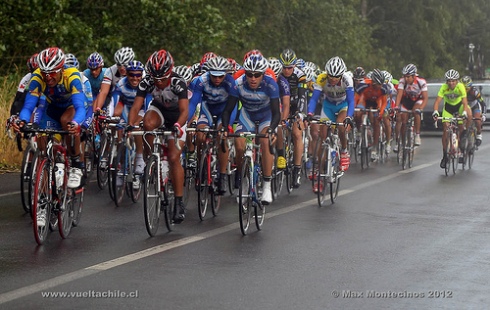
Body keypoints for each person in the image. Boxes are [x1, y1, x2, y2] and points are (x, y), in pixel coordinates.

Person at [128, 50, 189, 224]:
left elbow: (185, 111)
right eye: (155, 78)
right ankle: (151, 159)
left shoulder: (179, 82)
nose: (159, 82)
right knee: (146, 124)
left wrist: (178, 126)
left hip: (177, 117)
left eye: (162, 79)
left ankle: (178, 202)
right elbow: (136, 107)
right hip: (159, 111)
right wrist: (130, 125)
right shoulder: (147, 80)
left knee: (173, 157)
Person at [13, 47, 87, 189]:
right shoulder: (37, 77)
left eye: (52, 72)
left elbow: (80, 107)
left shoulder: (72, 76)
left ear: (61, 69)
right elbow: (29, 106)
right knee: (44, 145)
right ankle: (46, 193)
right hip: (52, 109)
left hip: (70, 108)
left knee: (67, 121)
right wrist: (22, 121)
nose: (48, 77)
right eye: (45, 72)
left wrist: (76, 123)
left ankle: (76, 164)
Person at [221, 54, 281, 205]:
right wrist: (225, 127)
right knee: (239, 145)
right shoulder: (238, 84)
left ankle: (266, 185)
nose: (253, 78)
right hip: (246, 116)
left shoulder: (271, 84)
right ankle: (244, 181)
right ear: (245, 73)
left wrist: (272, 129)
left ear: (263, 74)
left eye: (257, 75)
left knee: (266, 141)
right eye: (249, 74)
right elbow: (228, 109)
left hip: (265, 117)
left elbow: (276, 113)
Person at [187, 56, 238, 195]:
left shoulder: (230, 82)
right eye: (213, 76)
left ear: (225, 74)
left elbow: (232, 105)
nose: (217, 79)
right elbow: (192, 104)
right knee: (200, 134)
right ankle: (201, 166)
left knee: (222, 137)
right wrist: (185, 122)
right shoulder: (200, 81)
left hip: (224, 111)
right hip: (207, 109)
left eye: (220, 76)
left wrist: (226, 126)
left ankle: (222, 175)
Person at [307, 56, 354, 192]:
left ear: (341, 75)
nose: (333, 79)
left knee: (340, 125)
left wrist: (349, 117)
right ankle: (320, 175)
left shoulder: (347, 79)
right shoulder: (321, 78)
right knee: (322, 136)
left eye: (336, 76)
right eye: (331, 76)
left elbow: (351, 101)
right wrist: (310, 114)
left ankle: (344, 151)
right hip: (328, 106)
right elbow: (314, 99)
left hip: (343, 105)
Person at [109, 60, 151, 188]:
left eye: (138, 75)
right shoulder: (121, 84)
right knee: (121, 131)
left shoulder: (145, 84)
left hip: (142, 109)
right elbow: (114, 100)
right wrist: (110, 116)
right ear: (126, 74)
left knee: (136, 128)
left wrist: (140, 120)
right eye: (132, 74)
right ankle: (122, 167)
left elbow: (148, 104)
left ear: (142, 75)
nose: (135, 78)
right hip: (127, 108)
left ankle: (139, 157)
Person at [278, 48, 307, 188]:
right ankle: (280, 157)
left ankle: (297, 169)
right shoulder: (277, 74)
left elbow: (303, 96)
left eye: (289, 67)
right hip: (283, 105)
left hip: (296, 106)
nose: (287, 70)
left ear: (294, 66)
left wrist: (300, 114)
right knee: (278, 129)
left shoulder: (300, 75)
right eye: (284, 67)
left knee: (296, 133)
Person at [432, 69, 471, 168]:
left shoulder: (461, 87)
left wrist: (465, 112)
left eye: (453, 81)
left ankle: (463, 138)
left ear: (457, 81)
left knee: (461, 124)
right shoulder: (444, 87)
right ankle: (445, 156)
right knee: (445, 129)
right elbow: (437, 101)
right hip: (448, 108)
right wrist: (436, 111)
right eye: (449, 81)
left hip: (459, 107)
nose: (451, 83)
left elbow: (465, 102)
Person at [356, 69, 389, 161]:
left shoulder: (384, 89)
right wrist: (355, 110)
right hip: (364, 100)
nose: (381, 86)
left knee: (376, 122)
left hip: (376, 102)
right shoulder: (363, 85)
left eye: (382, 84)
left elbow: (384, 102)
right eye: (379, 84)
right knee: (357, 113)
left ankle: (374, 147)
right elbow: (356, 98)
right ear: (373, 82)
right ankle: (359, 131)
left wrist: (381, 113)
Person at [393, 64, 428, 151]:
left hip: (417, 100)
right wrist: (396, 107)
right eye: (405, 76)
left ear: (414, 76)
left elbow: (425, 98)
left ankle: (417, 135)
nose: (406, 79)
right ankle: (401, 141)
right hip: (407, 100)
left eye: (408, 77)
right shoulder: (402, 81)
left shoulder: (421, 82)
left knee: (416, 111)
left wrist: (421, 108)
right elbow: (399, 94)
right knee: (403, 120)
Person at [93, 47, 135, 112]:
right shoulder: (110, 71)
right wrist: (97, 110)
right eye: (119, 65)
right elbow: (103, 92)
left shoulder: (139, 71)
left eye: (125, 65)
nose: (122, 68)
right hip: (116, 97)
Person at [461, 76, 484, 146]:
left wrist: (483, 114)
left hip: (474, 107)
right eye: (463, 87)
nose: (465, 89)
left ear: (470, 86)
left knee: (477, 120)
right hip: (465, 107)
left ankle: (479, 134)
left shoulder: (474, 92)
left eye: (467, 88)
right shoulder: (459, 91)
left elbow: (482, 103)